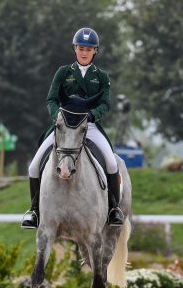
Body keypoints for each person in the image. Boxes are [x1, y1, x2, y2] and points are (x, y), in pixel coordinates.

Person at [21, 27, 124, 229]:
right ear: (75, 49)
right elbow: (51, 99)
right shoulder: (63, 72)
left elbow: (105, 103)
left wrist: (93, 115)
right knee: (34, 166)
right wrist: (57, 117)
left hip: (89, 126)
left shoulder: (101, 76)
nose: (84, 52)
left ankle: (113, 209)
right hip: (64, 126)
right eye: (81, 48)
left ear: (95, 51)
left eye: (89, 48)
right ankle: (34, 210)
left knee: (112, 163)